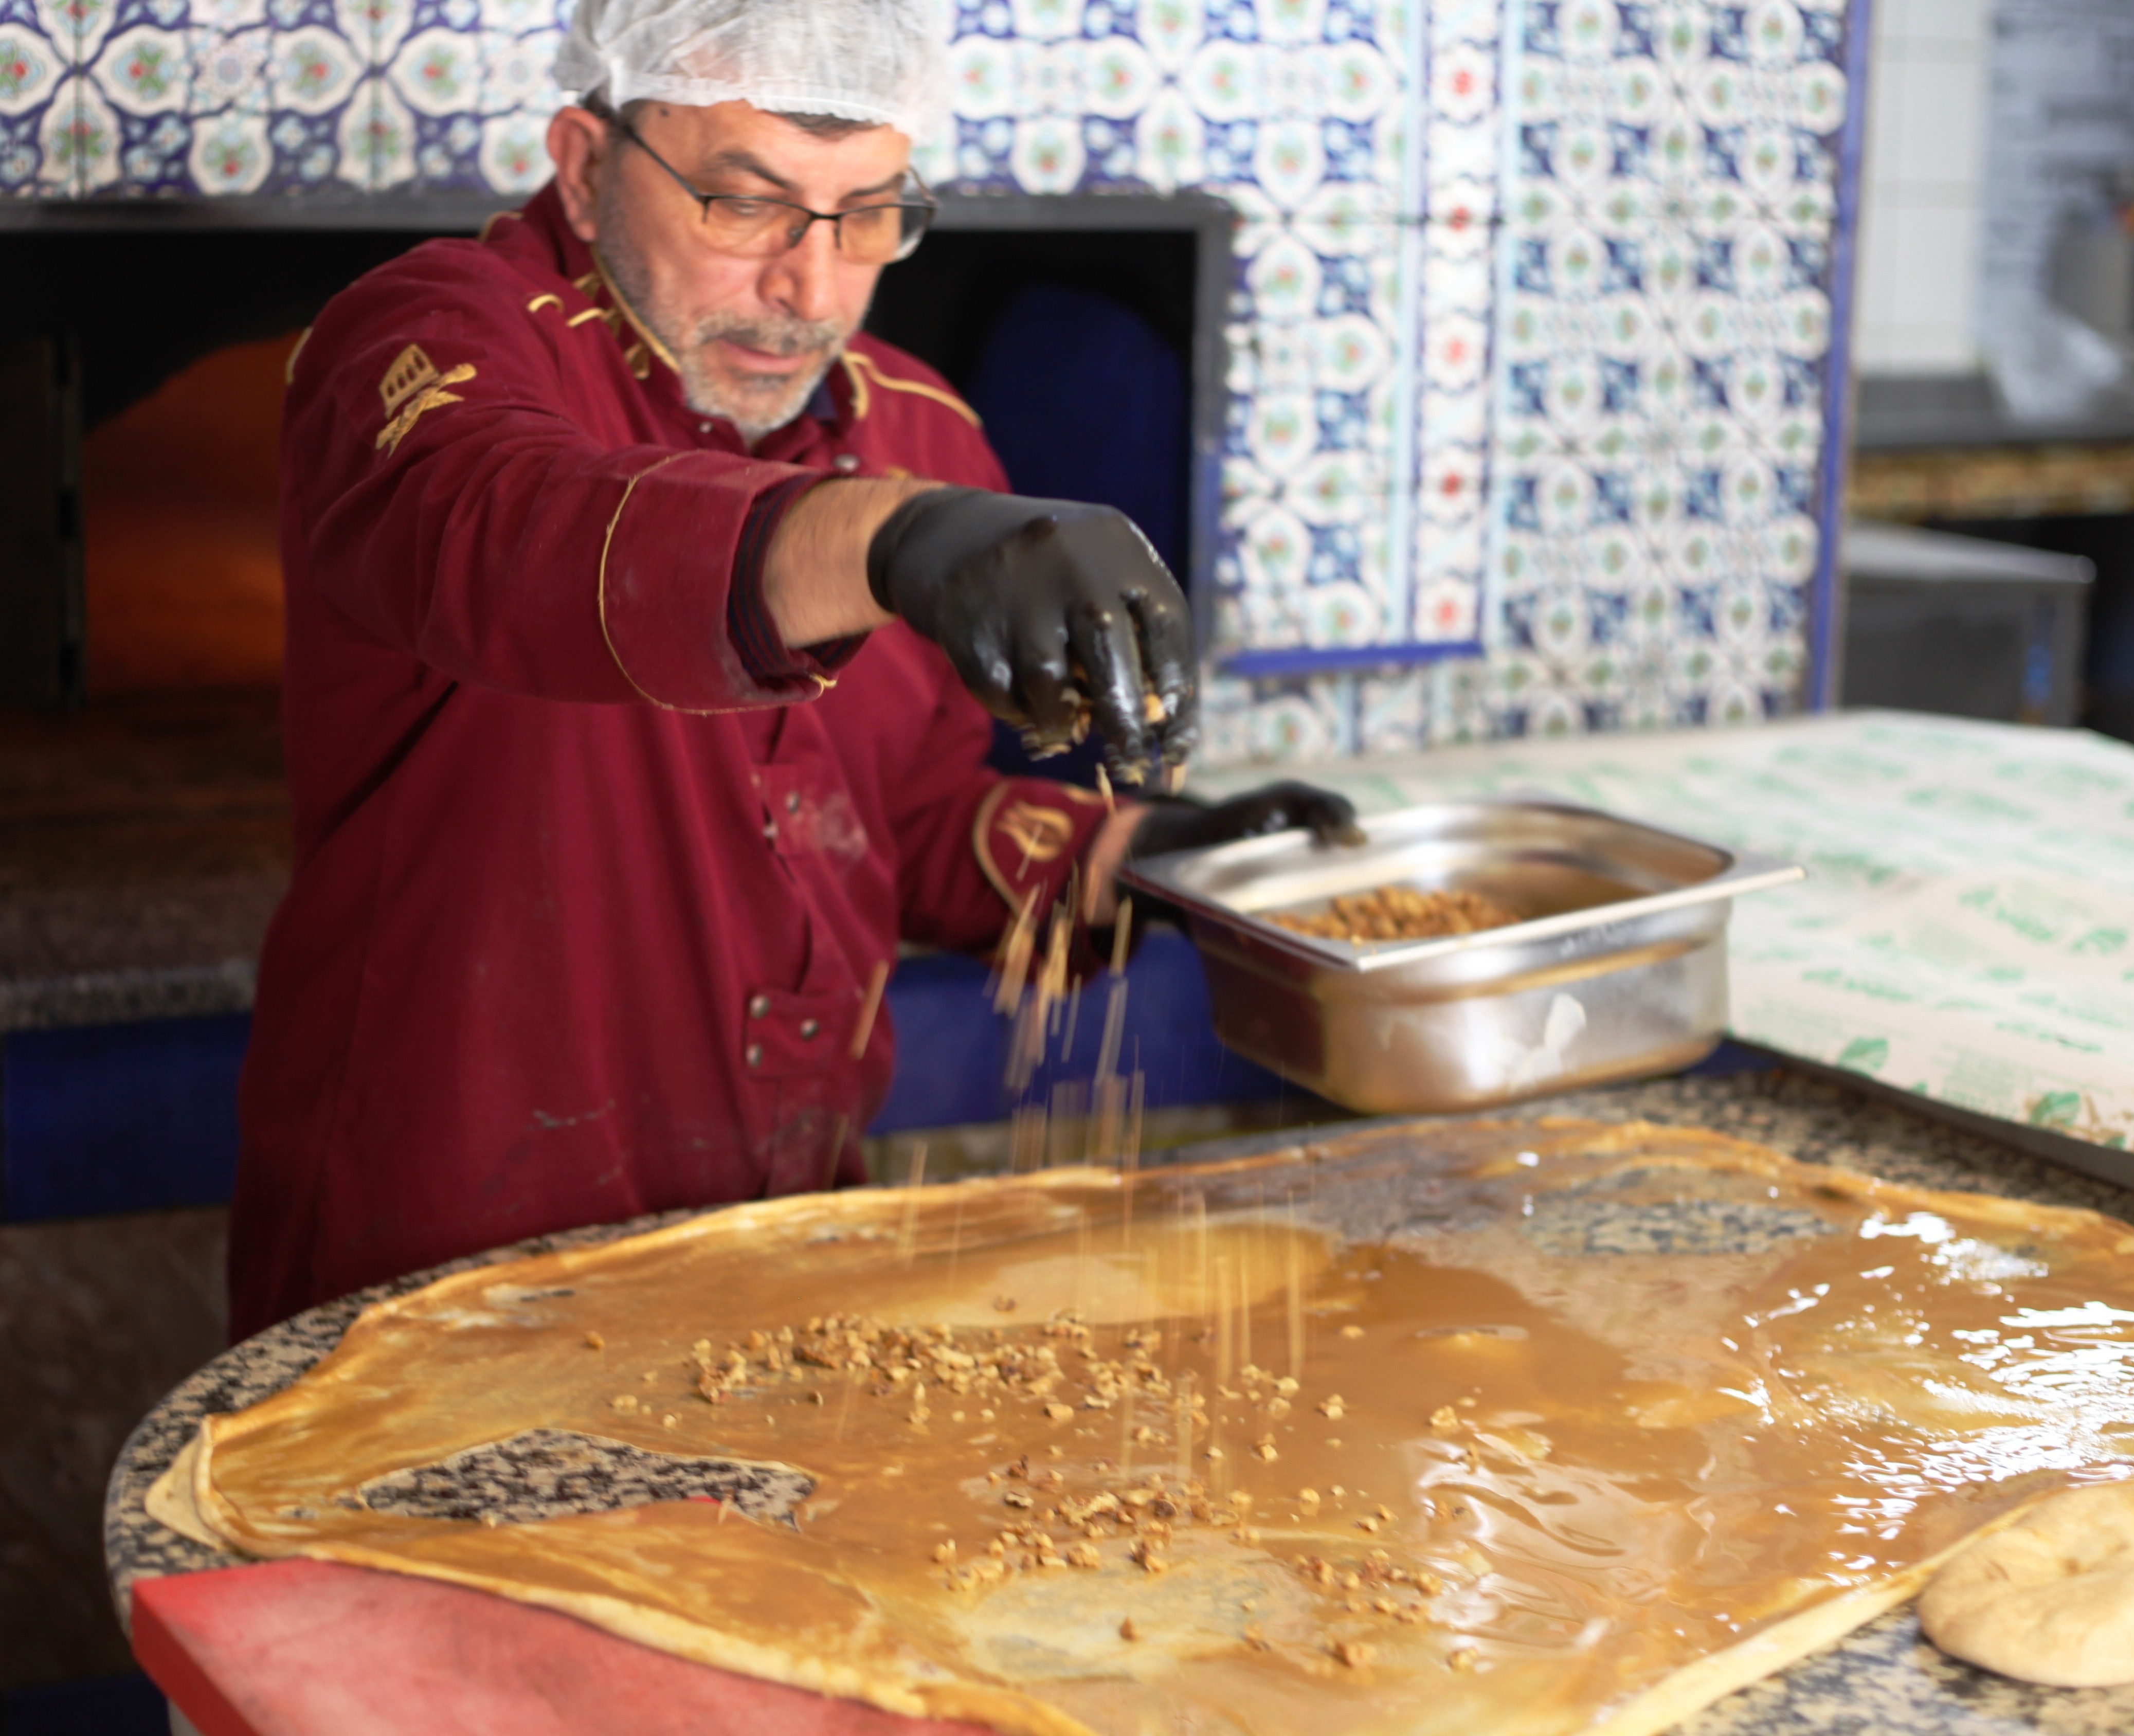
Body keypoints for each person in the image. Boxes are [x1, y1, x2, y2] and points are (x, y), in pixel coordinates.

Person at [228, 0, 1354, 1337]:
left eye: (868, 214)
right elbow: (515, 523)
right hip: (434, 1271)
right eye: (742, 204)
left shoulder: (920, 429)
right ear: (587, 169)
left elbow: (902, 809)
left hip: (779, 1244)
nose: (811, 290)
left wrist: (1152, 858)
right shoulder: (424, 344)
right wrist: (889, 540)